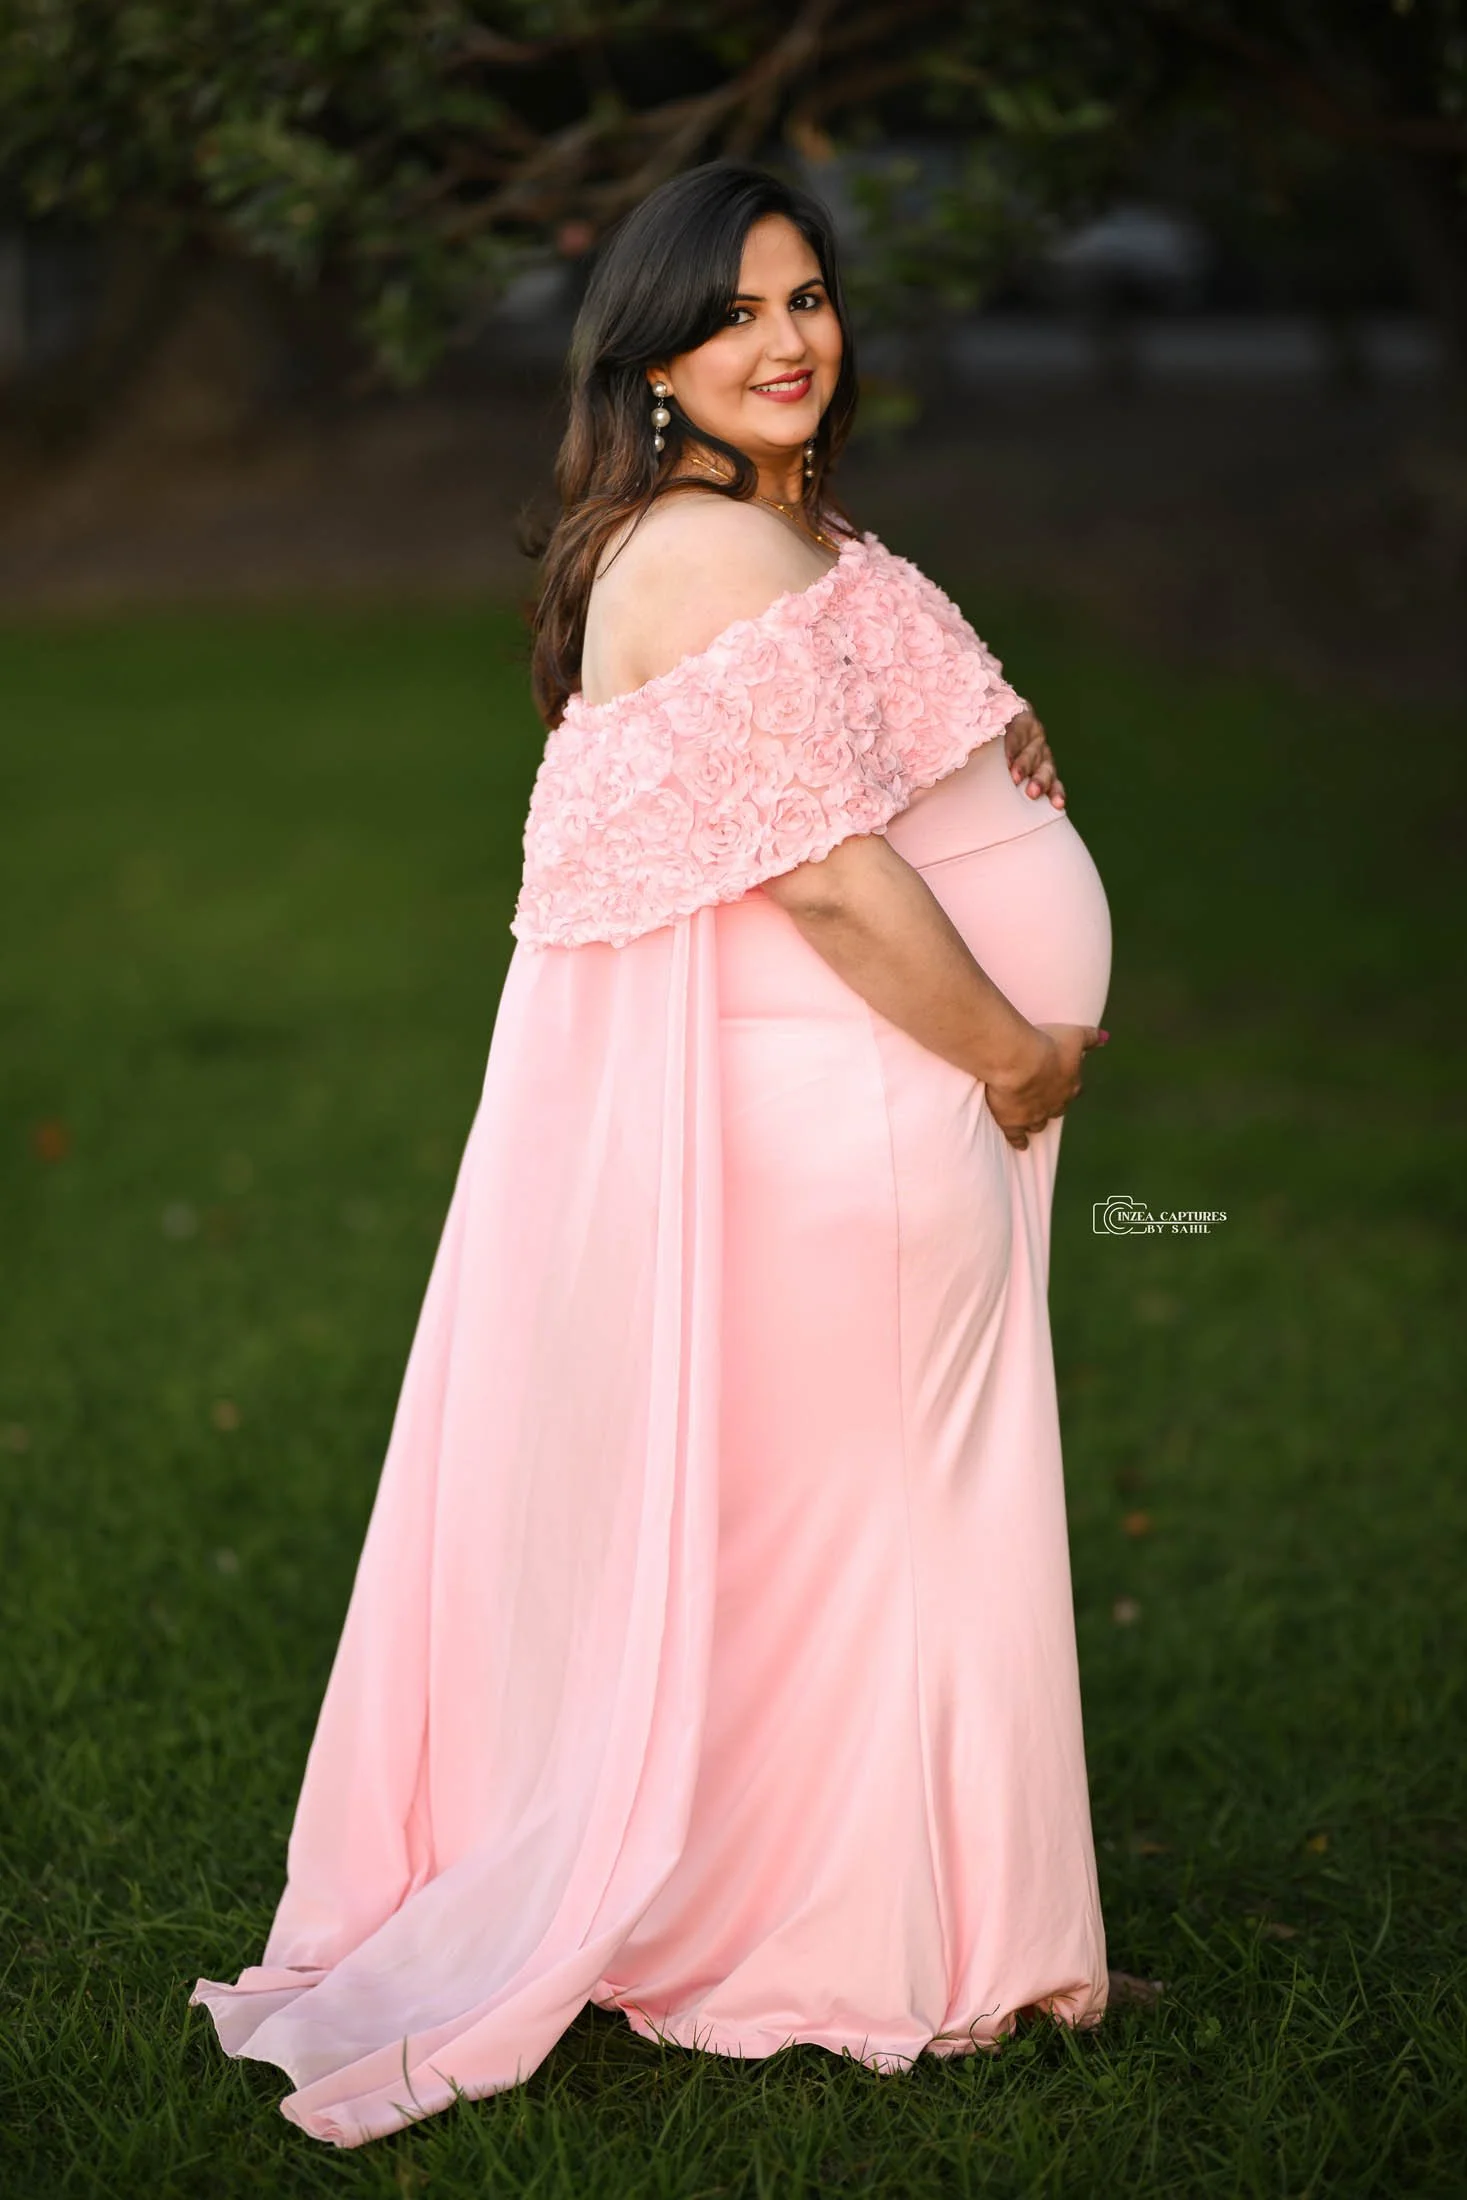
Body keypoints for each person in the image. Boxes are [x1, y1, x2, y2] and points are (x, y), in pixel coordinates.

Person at [190, 159, 1157, 2152]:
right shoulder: (702, 553)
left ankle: (953, 1930)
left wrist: (990, 721)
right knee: (895, 1540)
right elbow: (817, 873)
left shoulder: (756, 527)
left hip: (895, 1095)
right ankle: (890, 1952)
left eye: (807, 297)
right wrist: (1006, 1056)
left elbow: (847, 741)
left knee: (896, 1536)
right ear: (646, 351)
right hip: (888, 1090)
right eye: (735, 314)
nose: (788, 339)